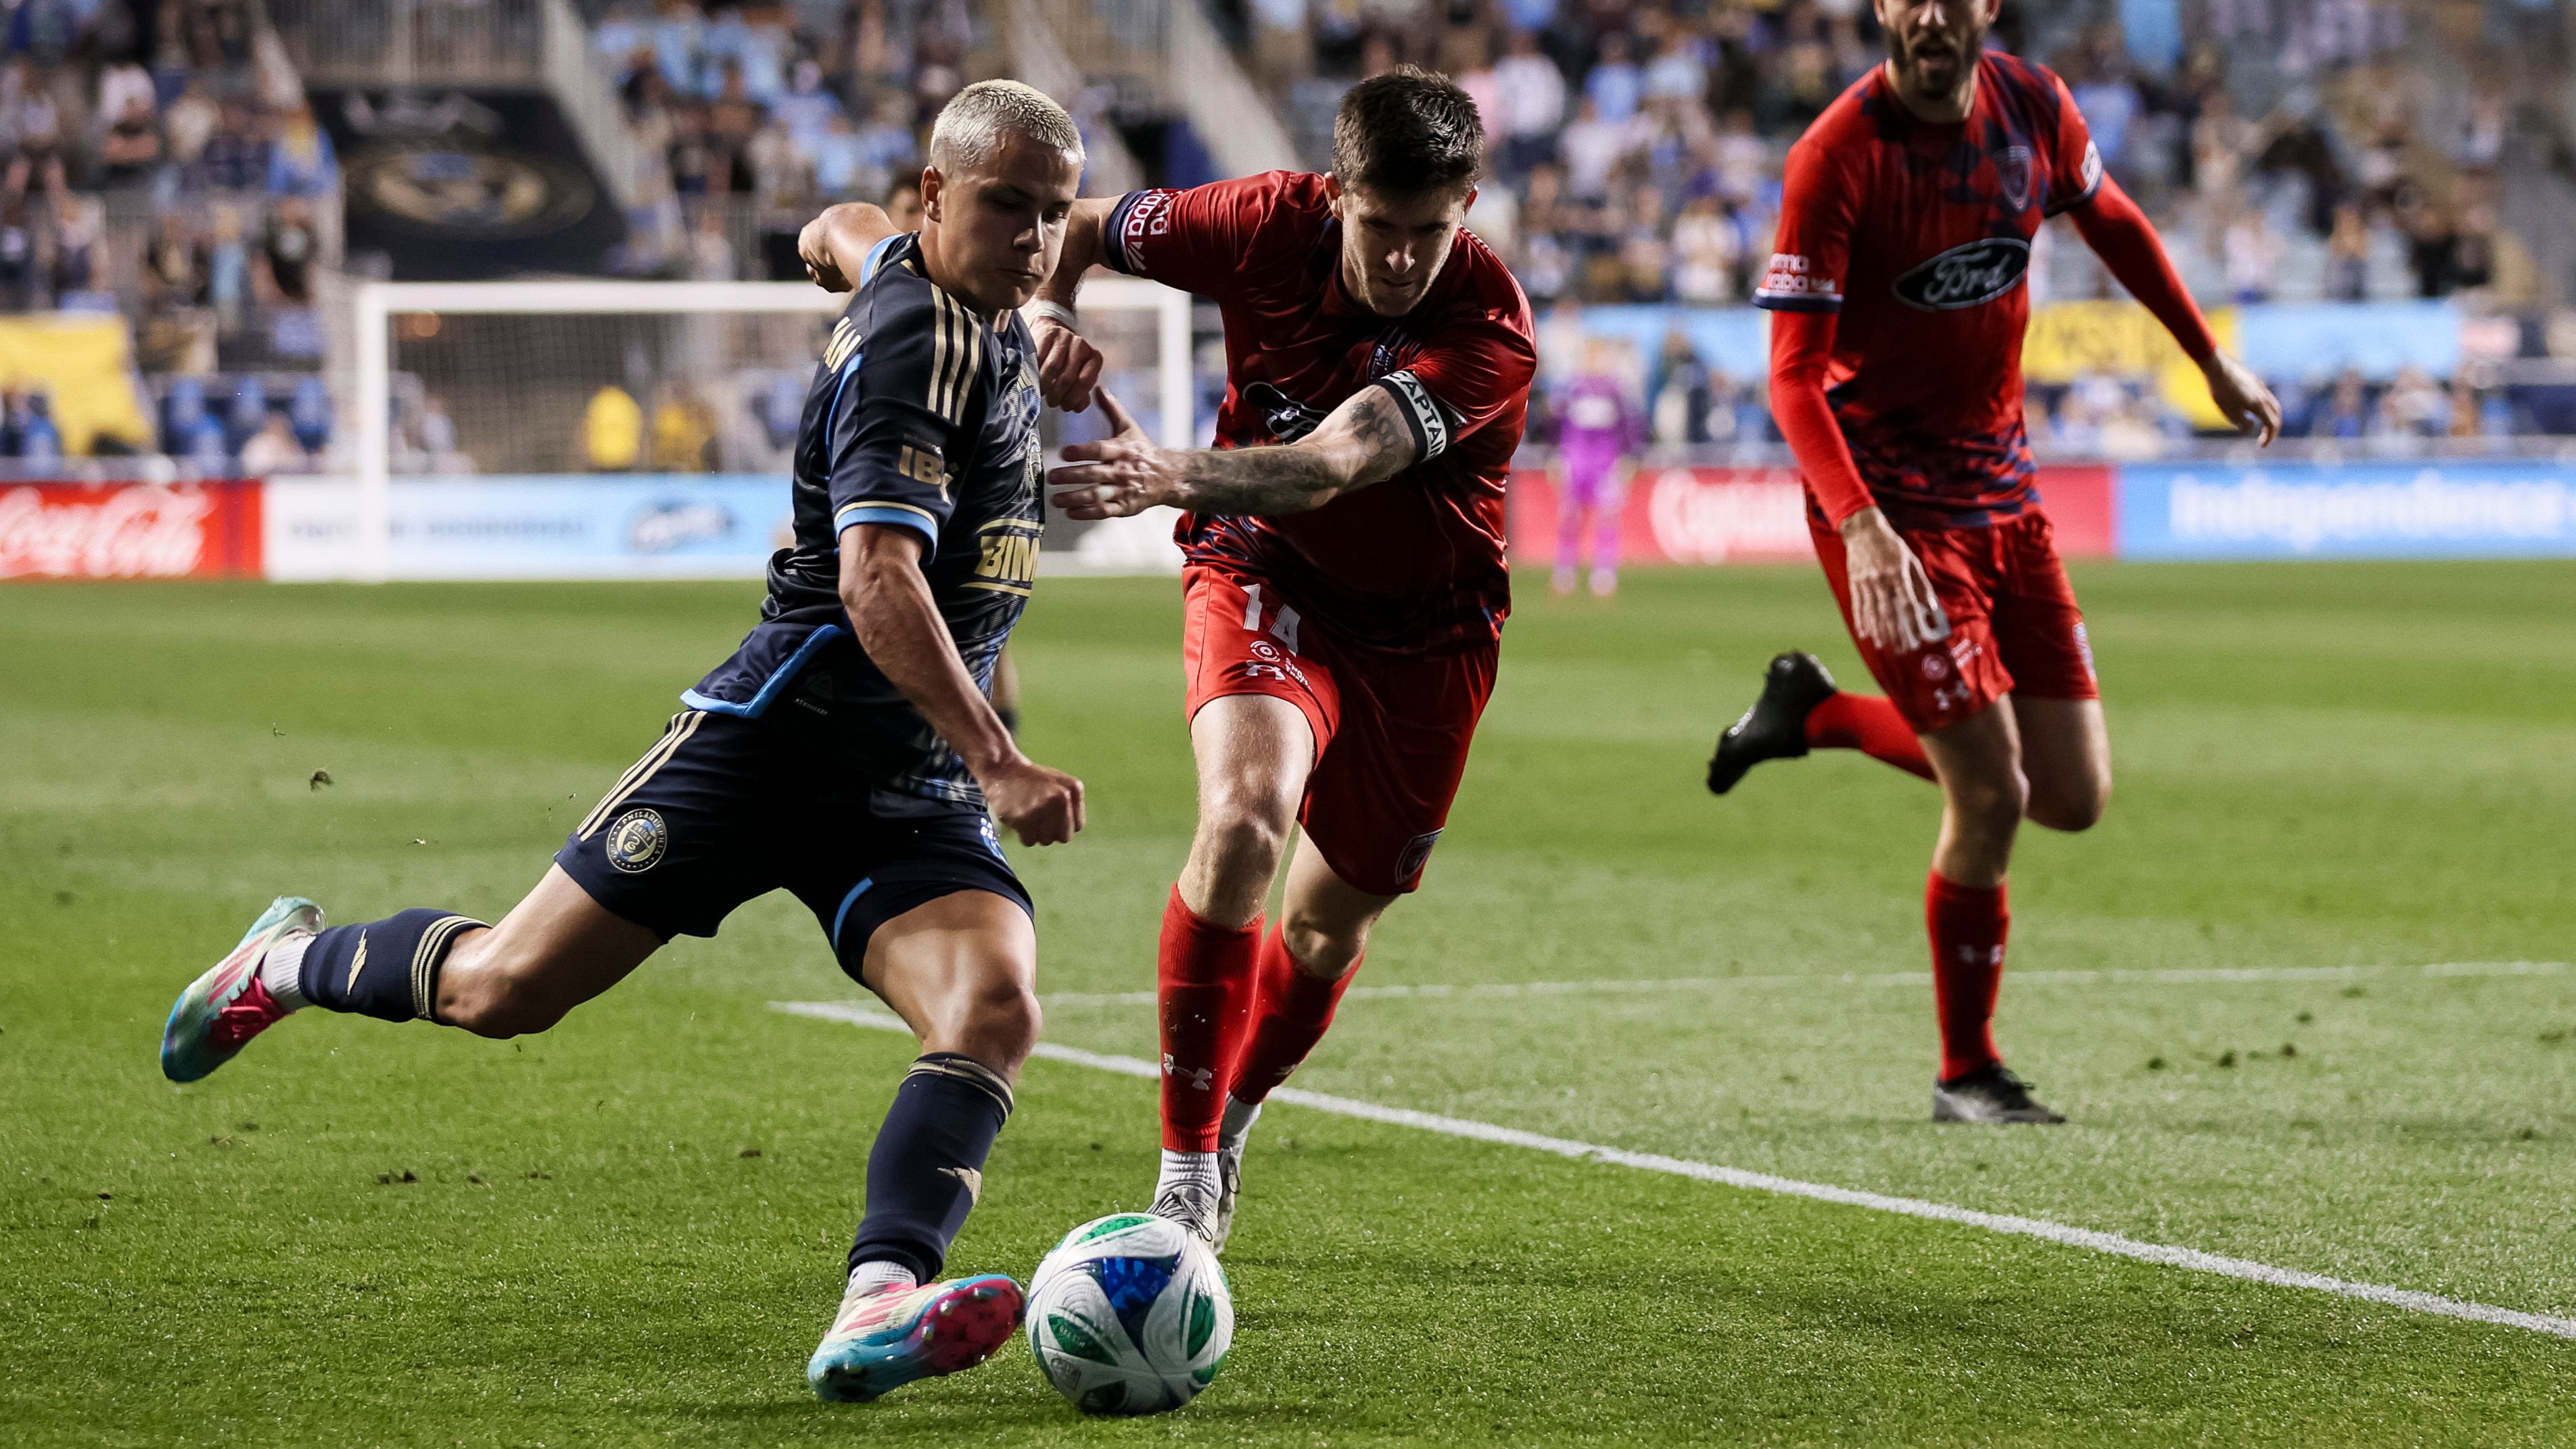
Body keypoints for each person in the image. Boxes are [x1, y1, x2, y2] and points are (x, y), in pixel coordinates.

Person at [157, 81, 1089, 1404]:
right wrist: (998, 755)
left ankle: (879, 1300)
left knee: (990, 1007)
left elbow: (836, 226)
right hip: (774, 737)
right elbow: (879, 581)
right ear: (940, 197)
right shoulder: (909, 349)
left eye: (1053, 216)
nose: (1036, 238)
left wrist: (901, 268)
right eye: (1007, 208)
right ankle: (284, 961)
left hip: (900, 776)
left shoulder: (927, 280)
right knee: (500, 990)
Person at [1704, 0, 2280, 1124]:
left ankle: (1813, 713)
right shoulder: (1834, 156)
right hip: (1888, 513)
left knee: (2069, 793)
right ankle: (1963, 1069)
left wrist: (2204, 354)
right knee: (1990, 791)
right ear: (1880, 8)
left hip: (2003, 494)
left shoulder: (2033, 108)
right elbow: (1789, 375)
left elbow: (2107, 217)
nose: (1926, 13)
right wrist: (1860, 526)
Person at [1031, 67, 1537, 1248]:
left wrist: (1165, 474)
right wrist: (1051, 316)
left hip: (1429, 634)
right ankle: (1185, 1168)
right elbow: (1078, 227)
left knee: (1323, 931)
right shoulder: (1258, 221)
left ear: (1467, 201)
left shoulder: (1489, 330)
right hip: (1264, 570)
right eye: (1381, 225)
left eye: (1432, 229)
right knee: (1245, 820)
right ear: (1337, 189)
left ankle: (1239, 1105)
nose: (1404, 257)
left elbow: (1327, 463)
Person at [1551, 336, 1641, 597]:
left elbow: (1628, 428)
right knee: (1570, 517)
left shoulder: (1615, 389)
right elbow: (1555, 426)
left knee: (1607, 518)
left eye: (1598, 355)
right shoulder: (1570, 387)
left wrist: (1628, 458)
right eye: (1589, 355)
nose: (1594, 361)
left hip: (1606, 461)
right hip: (1575, 459)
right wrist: (1554, 457)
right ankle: (1565, 569)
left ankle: (1604, 572)